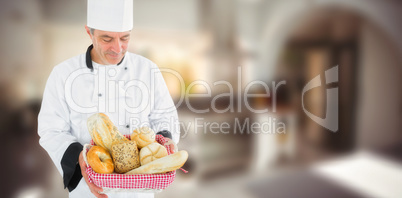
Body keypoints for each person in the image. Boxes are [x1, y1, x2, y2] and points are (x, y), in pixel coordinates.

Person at [37, 0, 180, 197]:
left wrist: (167, 140)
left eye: (125, 38)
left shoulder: (147, 69)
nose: (117, 48)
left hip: (138, 192)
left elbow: (164, 116)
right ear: (89, 32)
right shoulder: (63, 73)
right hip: (88, 191)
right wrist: (79, 158)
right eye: (107, 39)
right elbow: (51, 130)